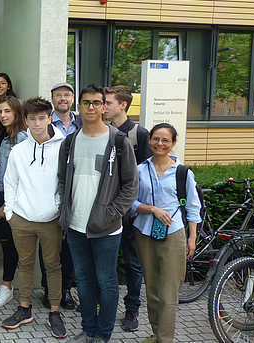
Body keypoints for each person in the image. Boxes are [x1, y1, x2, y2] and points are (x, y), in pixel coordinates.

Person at [58, 84, 139, 343]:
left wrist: (112, 214)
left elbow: (131, 186)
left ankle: (103, 335)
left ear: (104, 107)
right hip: (75, 225)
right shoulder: (70, 141)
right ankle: (88, 330)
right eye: (86, 102)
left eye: (96, 102)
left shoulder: (118, 140)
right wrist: (64, 210)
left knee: (106, 281)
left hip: (106, 227)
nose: (90, 107)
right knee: (83, 280)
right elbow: (62, 180)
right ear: (78, 107)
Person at [1, 97, 66, 339]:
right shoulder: (19, 150)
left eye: (42, 118)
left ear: (50, 118)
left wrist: (57, 209)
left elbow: (65, 184)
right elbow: (10, 182)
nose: (37, 123)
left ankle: (55, 311)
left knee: (53, 266)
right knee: (25, 265)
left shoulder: (64, 146)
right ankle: (24, 308)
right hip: (22, 219)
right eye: (32, 119)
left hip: (51, 219)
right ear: (25, 121)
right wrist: (10, 213)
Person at [132, 123, 201, 343]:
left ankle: (165, 339)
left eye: (165, 140)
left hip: (174, 235)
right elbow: (130, 201)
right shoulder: (140, 169)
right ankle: (156, 332)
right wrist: (151, 208)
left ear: (173, 143)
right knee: (151, 287)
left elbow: (193, 207)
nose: (159, 144)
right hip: (144, 232)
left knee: (169, 291)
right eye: (155, 139)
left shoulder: (182, 173)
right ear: (149, 140)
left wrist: (192, 238)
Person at [103, 85, 153, 332]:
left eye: (108, 102)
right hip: (105, 209)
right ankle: (106, 305)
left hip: (130, 212)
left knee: (132, 263)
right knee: (106, 261)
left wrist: (136, 208)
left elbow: (144, 177)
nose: (103, 107)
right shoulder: (102, 131)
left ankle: (132, 309)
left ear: (123, 105)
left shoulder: (139, 134)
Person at [38, 82, 82, 311]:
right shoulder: (44, 123)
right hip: (50, 189)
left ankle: (65, 290)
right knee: (49, 245)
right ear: (53, 99)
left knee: (70, 247)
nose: (62, 99)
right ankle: (48, 289)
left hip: (78, 191)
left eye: (66, 95)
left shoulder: (83, 123)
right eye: (58, 95)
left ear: (72, 98)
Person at [0, 96, 27, 307]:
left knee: (7, 244)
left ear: (17, 113)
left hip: (9, 197)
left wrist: (7, 205)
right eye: (0, 112)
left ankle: (6, 286)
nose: (3, 115)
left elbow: (23, 176)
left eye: (8, 111)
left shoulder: (22, 138)